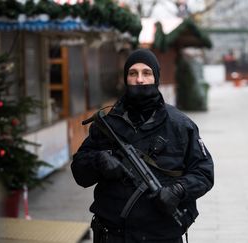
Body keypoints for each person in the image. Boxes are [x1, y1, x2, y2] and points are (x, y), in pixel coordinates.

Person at [71, 49, 214, 243]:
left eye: (146, 73)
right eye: (133, 73)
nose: (140, 79)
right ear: (125, 78)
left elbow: (204, 172)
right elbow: (79, 171)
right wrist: (99, 161)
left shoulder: (180, 125)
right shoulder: (108, 124)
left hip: (162, 236)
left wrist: (178, 190)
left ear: (156, 78)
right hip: (112, 235)